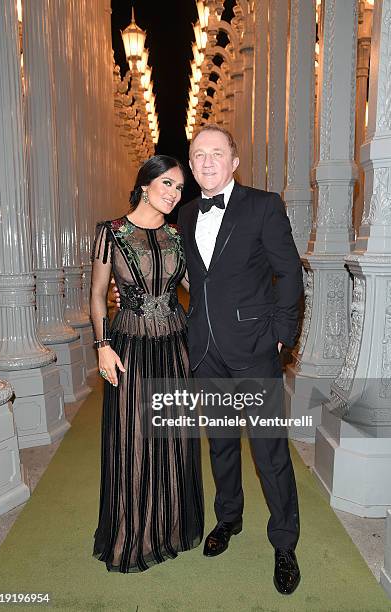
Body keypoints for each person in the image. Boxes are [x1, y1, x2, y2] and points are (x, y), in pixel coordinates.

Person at [177, 125, 303, 595]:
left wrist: (279, 336)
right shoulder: (187, 215)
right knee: (222, 443)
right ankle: (228, 517)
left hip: (254, 350)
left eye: (216, 154)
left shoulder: (264, 205)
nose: (206, 162)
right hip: (206, 352)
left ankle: (285, 541)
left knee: (269, 450)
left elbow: (288, 272)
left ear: (234, 162)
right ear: (191, 167)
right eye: (197, 156)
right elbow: (196, 279)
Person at [90, 155, 204, 573]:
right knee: (133, 439)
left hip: (176, 347)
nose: (174, 194)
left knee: (173, 439)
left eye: (179, 187)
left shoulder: (177, 237)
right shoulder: (112, 233)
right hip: (130, 348)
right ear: (145, 185)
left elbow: (198, 287)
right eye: (168, 184)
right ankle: (133, 533)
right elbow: (98, 294)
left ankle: (171, 529)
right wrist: (102, 345)